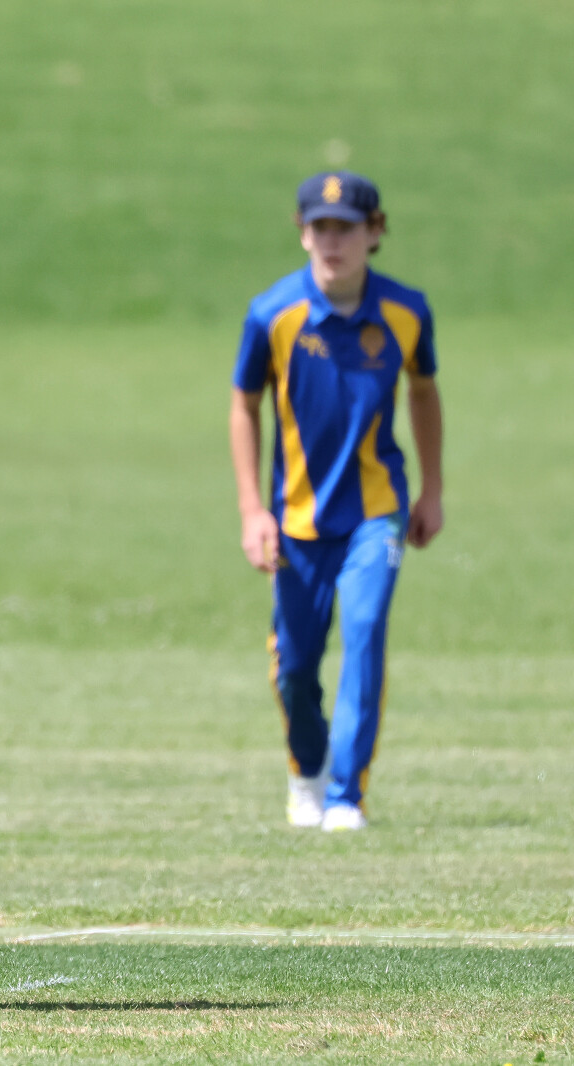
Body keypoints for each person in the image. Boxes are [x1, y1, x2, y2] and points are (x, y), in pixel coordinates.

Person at [228, 171, 444, 832]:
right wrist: (252, 510)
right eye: (320, 227)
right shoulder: (273, 313)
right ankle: (309, 770)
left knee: (366, 630)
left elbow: (424, 392)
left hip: (377, 511)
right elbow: (244, 405)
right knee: (295, 667)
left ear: (375, 233)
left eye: (347, 228)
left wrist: (433, 489)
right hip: (295, 518)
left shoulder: (407, 312)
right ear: (302, 232)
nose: (332, 241)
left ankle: (348, 796)